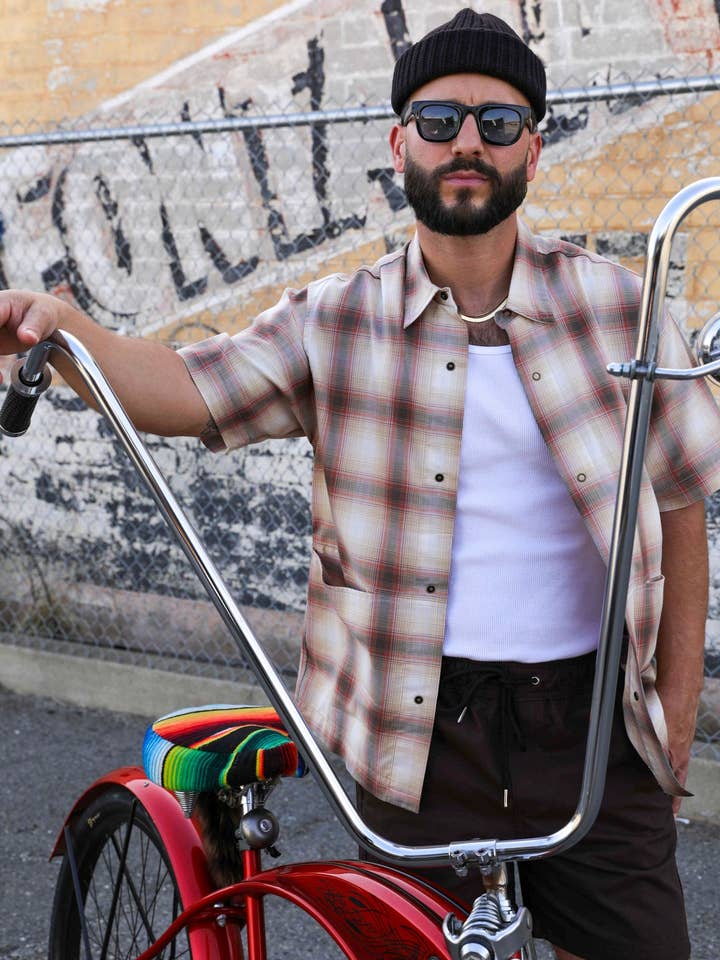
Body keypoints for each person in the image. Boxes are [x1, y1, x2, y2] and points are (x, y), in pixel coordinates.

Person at [1, 10, 719, 960]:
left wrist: (674, 718)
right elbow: (185, 386)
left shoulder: (620, 309)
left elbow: (679, 504)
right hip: (418, 739)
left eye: (499, 122)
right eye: (439, 120)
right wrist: (65, 333)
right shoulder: (335, 322)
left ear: (534, 150)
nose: (467, 142)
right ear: (399, 144)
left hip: (592, 733)